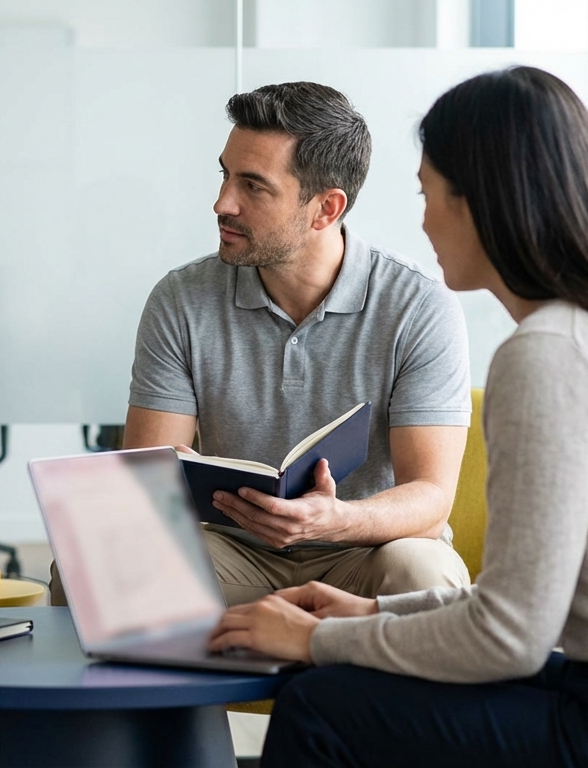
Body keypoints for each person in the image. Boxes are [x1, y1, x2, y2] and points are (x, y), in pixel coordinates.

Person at [209, 66, 588, 766]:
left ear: (483, 205)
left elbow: (510, 637)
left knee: (322, 705)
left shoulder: (553, 354)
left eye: (428, 194)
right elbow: (523, 606)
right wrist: (373, 615)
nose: (423, 219)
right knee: (356, 683)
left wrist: (314, 640)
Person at [52, 82, 473, 606]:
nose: (222, 202)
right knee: (90, 560)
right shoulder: (182, 299)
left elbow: (430, 501)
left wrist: (336, 520)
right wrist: (165, 476)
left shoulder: (418, 308)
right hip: (231, 551)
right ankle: (176, 692)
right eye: (225, 174)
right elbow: (145, 483)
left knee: (421, 569)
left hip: (364, 550)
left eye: (253, 186)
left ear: (326, 208)